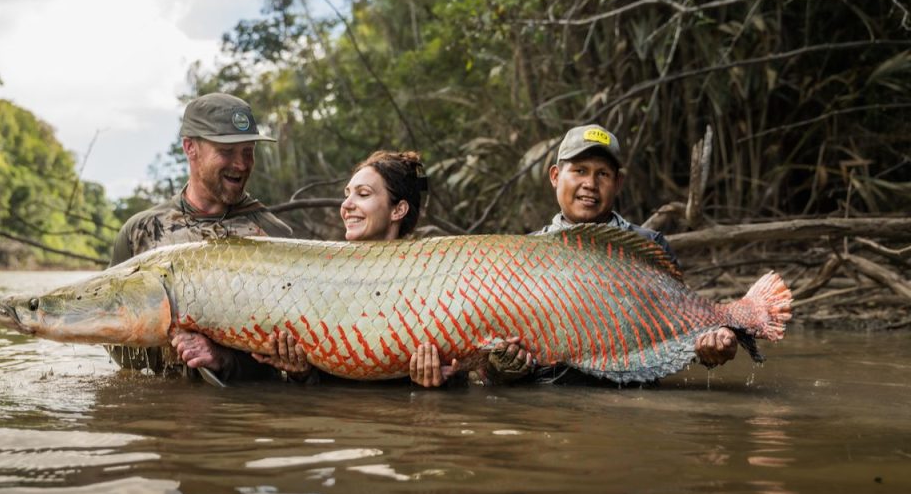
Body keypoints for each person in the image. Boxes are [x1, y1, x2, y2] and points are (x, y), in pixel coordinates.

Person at [257, 150, 535, 387]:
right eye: (347, 194)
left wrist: (441, 382)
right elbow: (320, 382)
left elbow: (464, 370)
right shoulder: (322, 271)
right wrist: (300, 373)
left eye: (362, 194)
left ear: (398, 210)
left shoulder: (438, 274)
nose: (346, 205)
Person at [108, 92, 302, 383]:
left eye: (247, 152)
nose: (241, 164)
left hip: (244, 413)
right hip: (165, 413)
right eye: (227, 152)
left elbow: (283, 360)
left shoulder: (275, 236)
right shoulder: (140, 233)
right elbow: (119, 349)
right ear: (190, 148)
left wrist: (223, 359)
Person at [534, 123, 738, 372]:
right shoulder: (527, 251)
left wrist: (711, 344)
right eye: (579, 170)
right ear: (555, 176)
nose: (590, 183)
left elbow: (681, 325)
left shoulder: (650, 246)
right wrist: (500, 366)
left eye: (603, 174)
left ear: (618, 182)